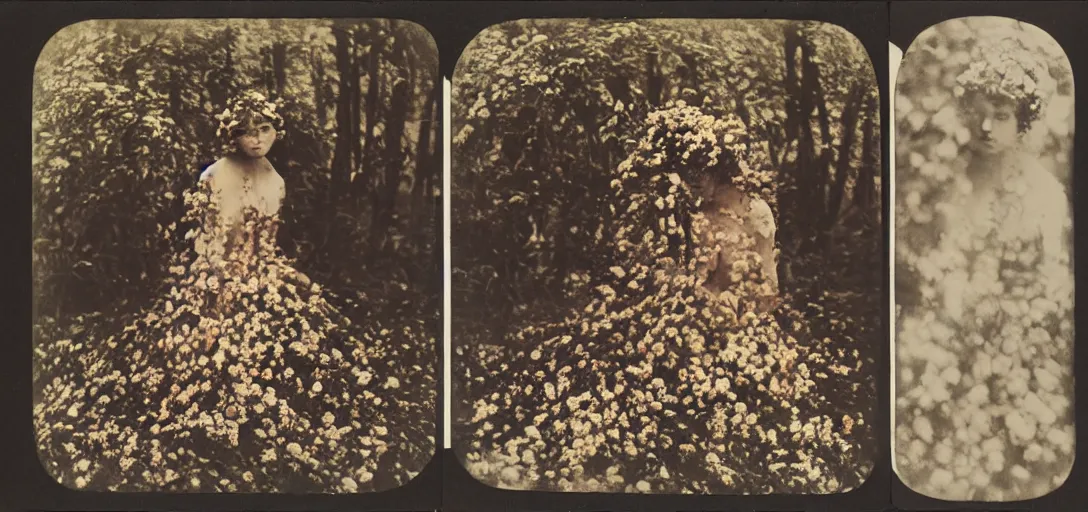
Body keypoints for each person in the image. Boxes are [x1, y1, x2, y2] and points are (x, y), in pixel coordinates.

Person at [33, 91, 434, 494]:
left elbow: (268, 241)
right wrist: (221, 281)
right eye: (245, 132)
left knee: (308, 330)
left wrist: (272, 274)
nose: (257, 140)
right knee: (209, 346)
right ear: (232, 136)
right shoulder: (213, 176)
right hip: (214, 273)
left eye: (264, 130)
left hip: (259, 270)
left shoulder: (275, 180)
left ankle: (287, 427)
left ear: (276, 131)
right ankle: (207, 429)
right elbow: (205, 241)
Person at [896, 36, 1074, 501]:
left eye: (1001, 115)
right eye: (979, 112)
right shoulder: (943, 184)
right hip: (949, 332)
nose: (987, 127)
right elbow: (935, 262)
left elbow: (1056, 280)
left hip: (1019, 337)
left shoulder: (1044, 194)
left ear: (1022, 122)